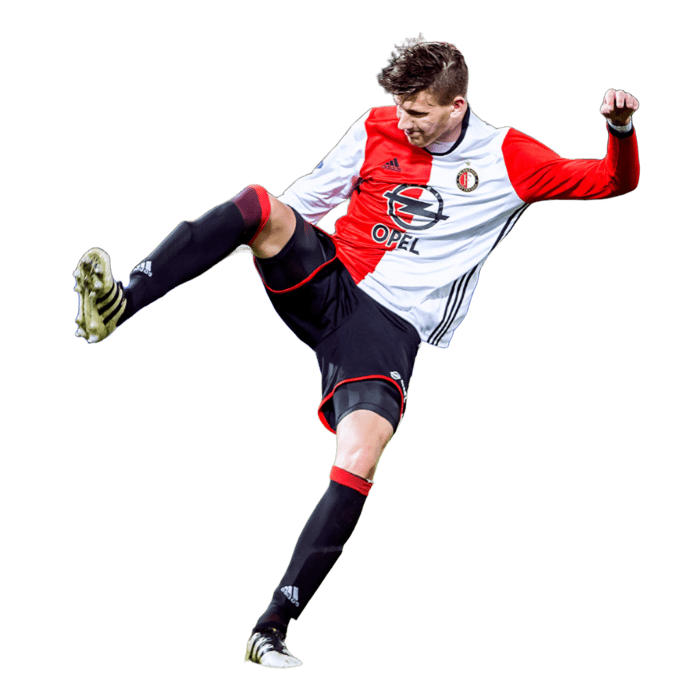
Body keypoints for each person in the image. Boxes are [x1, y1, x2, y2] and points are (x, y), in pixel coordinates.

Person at [72, 34, 640, 669]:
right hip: (330, 280)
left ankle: (271, 627)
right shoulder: (376, 127)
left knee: (360, 458)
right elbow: (305, 200)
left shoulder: (509, 157)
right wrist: (240, 236)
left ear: (456, 106)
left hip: (387, 329)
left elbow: (614, 181)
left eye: (418, 112)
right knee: (258, 203)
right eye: (400, 107)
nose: (404, 121)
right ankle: (119, 303)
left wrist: (619, 130)